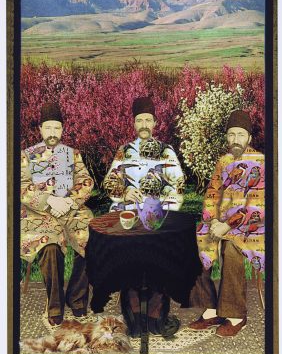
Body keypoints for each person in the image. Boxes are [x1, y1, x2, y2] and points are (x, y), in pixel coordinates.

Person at [103, 96, 185, 336]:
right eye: (139, 120)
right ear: (133, 124)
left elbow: (178, 185)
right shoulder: (124, 151)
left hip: (157, 213)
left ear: (155, 123)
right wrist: (125, 190)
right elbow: (109, 183)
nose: (144, 125)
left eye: (148, 120)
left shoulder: (166, 150)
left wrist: (163, 205)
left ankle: (156, 316)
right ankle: (134, 316)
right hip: (127, 211)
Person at [189, 110, 265, 337]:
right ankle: (211, 309)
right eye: (231, 134)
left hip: (251, 227)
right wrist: (212, 220)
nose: (235, 140)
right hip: (220, 224)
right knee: (194, 242)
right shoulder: (223, 161)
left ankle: (235, 315)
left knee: (232, 250)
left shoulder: (260, 162)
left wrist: (227, 226)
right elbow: (212, 194)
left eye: (240, 134)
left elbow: (257, 206)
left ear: (249, 138)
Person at [21, 102, 94, 326]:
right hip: (39, 216)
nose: (53, 133)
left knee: (93, 239)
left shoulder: (72, 155)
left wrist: (70, 201)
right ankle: (55, 305)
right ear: (41, 129)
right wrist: (49, 200)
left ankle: (77, 297)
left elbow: (86, 181)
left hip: (70, 212)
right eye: (48, 128)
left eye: (57, 128)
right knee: (51, 248)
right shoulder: (27, 156)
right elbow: (21, 187)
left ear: (62, 130)